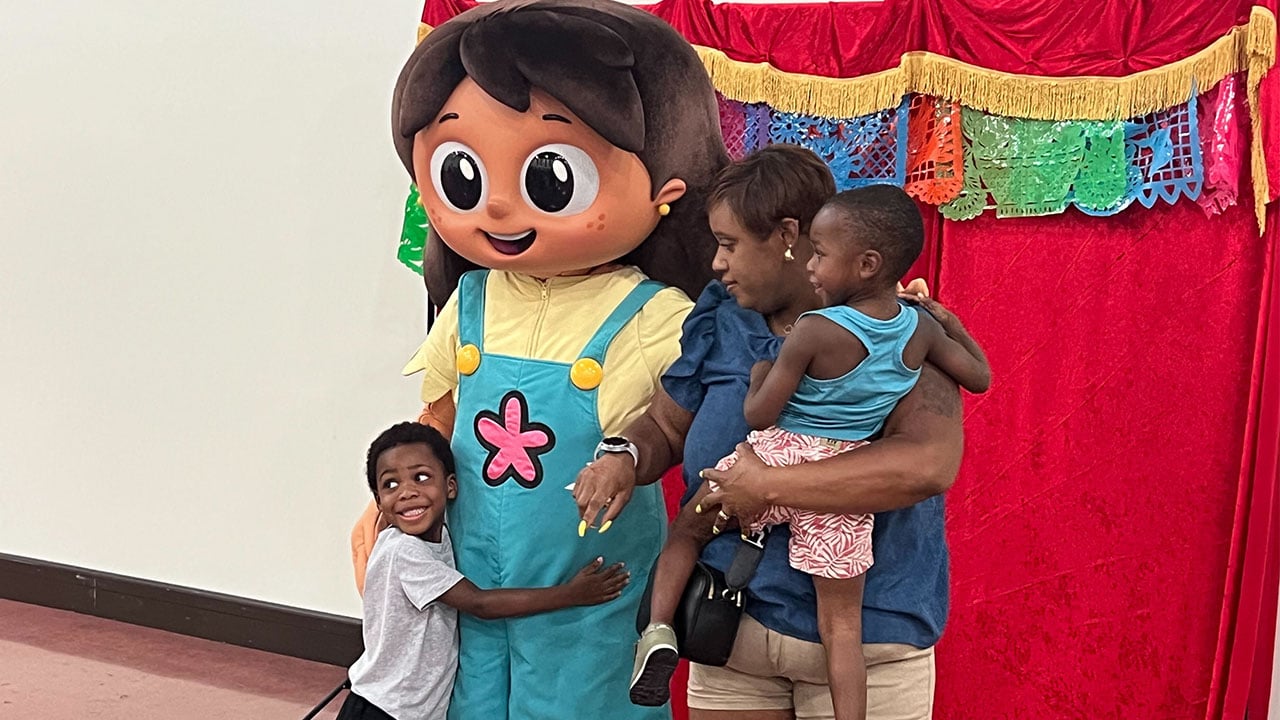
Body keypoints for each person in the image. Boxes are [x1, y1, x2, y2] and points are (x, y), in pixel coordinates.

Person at [350, 2, 729, 719]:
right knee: (470, 698)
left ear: (666, 191)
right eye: (461, 175)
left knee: (579, 700)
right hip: (465, 570)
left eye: (549, 178)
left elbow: (696, 419)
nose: (494, 208)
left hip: (588, 578)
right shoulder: (471, 300)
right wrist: (391, 503)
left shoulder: (655, 314)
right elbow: (441, 415)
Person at [571, 144, 965, 720]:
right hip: (730, 641)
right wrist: (624, 455)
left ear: (787, 236)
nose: (716, 262)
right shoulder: (721, 319)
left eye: (729, 245)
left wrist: (768, 486)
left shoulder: (895, 327)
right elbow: (664, 424)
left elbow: (926, 465)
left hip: (867, 645)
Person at [340, 422, 629, 720]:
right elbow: (481, 603)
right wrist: (570, 594)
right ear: (378, 501)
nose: (407, 492)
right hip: (384, 710)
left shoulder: (438, 538)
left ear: (450, 486)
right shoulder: (404, 551)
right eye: (390, 484)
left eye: (421, 477)